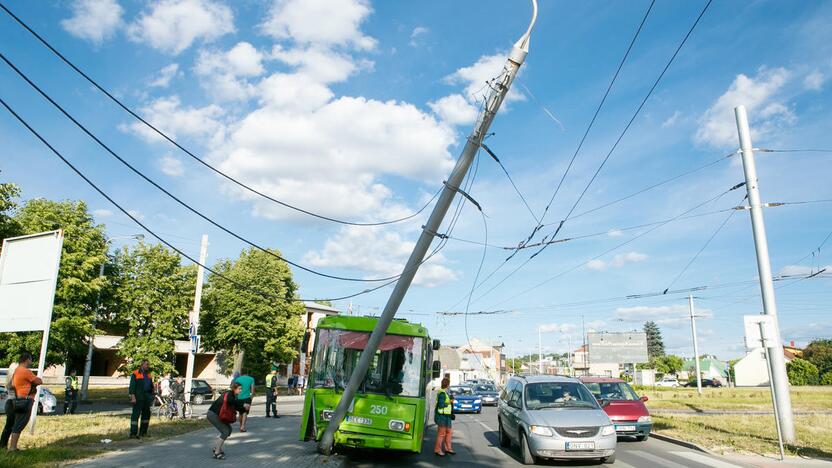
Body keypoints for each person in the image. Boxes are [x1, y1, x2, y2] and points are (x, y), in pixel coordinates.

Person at [2, 352, 42, 451]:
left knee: (9, 425)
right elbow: (38, 381)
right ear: (27, 359)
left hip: (11, 401)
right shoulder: (24, 371)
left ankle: (3, 446)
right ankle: (12, 448)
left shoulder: (13, 373)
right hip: (22, 401)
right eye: (31, 359)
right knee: (19, 424)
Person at [207, 381, 250, 459]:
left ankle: (216, 447)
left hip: (217, 415)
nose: (241, 390)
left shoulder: (233, 395)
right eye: (239, 389)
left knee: (229, 430)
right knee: (225, 431)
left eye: (241, 389)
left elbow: (235, 406)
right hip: (213, 415)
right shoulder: (229, 394)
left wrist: (244, 408)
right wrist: (243, 404)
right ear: (234, 388)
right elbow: (232, 402)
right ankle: (217, 453)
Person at [128, 359, 154, 438]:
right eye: (146, 364)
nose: (148, 366)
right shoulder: (135, 373)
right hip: (138, 397)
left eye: (148, 364)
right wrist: (133, 397)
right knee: (135, 415)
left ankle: (143, 432)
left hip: (147, 397)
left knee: (146, 415)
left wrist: (152, 393)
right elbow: (132, 387)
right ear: (142, 365)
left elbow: (150, 385)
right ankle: (133, 433)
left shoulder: (148, 374)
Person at [433, 377, 455, 456]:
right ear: (447, 384)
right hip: (442, 416)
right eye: (449, 384)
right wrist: (449, 402)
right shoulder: (442, 393)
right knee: (441, 434)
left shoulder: (446, 392)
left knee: (449, 432)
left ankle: (448, 449)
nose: (450, 385)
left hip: (447, 416)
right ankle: (437, 450)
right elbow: (441, 405)